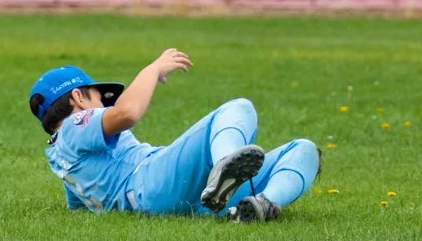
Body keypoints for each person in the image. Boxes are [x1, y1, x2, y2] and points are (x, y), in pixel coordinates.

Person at [27, 49, 320, 222]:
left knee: (304, 149)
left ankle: (260, 205)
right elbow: (128, 113)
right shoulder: (77, 124)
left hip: (180, 197)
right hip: (149, 184)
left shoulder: (59, 153)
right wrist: (152, 69)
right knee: (239, 108)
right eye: (98, 97)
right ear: (78, 97)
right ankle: (225, 165)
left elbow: (77, 205)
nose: (105, 104)